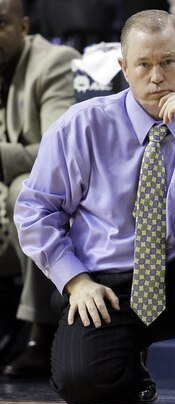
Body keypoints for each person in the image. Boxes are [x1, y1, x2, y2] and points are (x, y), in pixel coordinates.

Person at [14, 9, 175, 404]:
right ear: (123, 67)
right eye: (143, 64)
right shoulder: (82, 126)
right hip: (107, 287)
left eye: (168, 62)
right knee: (81, 385)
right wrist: (75, 281)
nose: (156, 77)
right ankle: (131, 371)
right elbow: (35, 211)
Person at [0, 0, 80, 377]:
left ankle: (40, 333)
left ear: (23, 26)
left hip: (50, 191)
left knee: (24, 192)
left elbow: (56, 152)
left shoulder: (53, 62)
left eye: (1, 24)